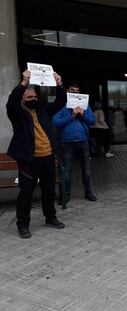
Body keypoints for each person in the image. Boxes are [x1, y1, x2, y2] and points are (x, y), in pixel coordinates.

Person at [6, 69, 66, 239]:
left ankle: (50, 218)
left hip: (47, 158)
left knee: (49, 191)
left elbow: (61, 102)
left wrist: (60, 84)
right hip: (29, 160)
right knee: (26, 194)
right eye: (29, 97)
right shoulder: (17, 114)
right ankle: (23, 225)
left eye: (34, 97)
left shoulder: (43, 110)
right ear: (22, 100)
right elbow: (11, 103)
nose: (33, 99)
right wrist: (23, 83)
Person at [53, 82, 97, 202]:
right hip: (68, 142)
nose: (75, 93)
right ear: (67, 91)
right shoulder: (63, 106)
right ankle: (65, 195)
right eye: (72, 90)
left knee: (86, 169)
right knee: (67, 170)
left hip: (83, 141)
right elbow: (55, 122)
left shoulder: (85, 105)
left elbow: (93, 120)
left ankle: (88, 192)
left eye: (77, 91)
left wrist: (83, 114)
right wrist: (71, 116)